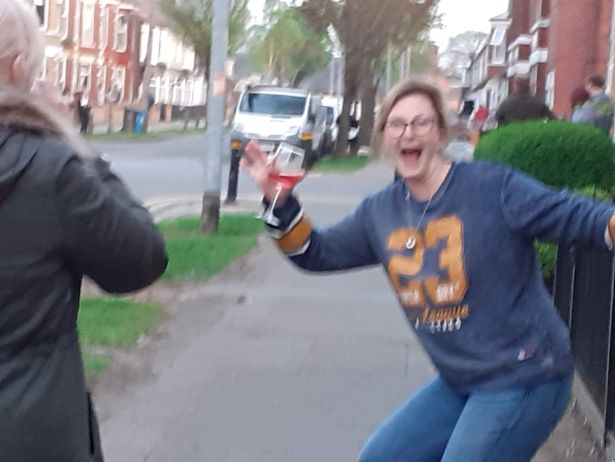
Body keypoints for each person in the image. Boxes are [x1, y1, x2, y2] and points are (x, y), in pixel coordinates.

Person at [241, 79, 615, 461]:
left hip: (527, 375)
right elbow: (316, 253)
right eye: (397, 124)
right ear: (385, 136)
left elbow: (580, 217)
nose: (409, 133)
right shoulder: (380, 212)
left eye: (421, 122)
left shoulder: (493, 189)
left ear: (440, 132)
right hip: (461, 381)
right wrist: (279, 200)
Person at [0, 1, 168, 460]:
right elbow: (140, 259)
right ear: (18, 67)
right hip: (30, 432)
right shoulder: (50, 170)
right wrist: (71, 140)